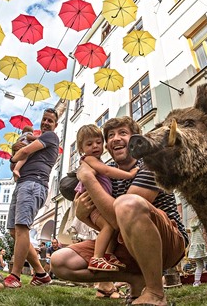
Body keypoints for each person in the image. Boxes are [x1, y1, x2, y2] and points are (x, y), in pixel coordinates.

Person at [51, 116, 189, 306]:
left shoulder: (150, 164)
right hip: (126, 244)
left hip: (168, 244)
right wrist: (82, 215)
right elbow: (111, 226)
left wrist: (89, 180)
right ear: (107, 147)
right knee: (60, 261)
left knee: (127, 203)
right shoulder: (105, 176)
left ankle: (156, 293)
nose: (115, 138)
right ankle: (136, 278)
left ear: (135, 140)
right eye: (110, 136)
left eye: (123, 133)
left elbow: (119, 218)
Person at [3, 108, 59, 288]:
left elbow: (22, 153)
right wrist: (15, 158)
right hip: (22, 184)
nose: (46, 123)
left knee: (21, 227)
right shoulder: (38, 140)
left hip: (34, 184)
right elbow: (15, 167)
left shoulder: (51, 137)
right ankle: (41, 274)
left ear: (55, 125)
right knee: (14, 231)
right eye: (44, 119)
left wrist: (16, 154)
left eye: (50, 120)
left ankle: (15, 276)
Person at [73, 124, 138, 271]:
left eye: (98, 142)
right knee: (108, 226)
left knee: (112, 228)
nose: (95, 146)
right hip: (94, 204)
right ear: (81, 149)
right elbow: (107, 171)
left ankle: (108, 255)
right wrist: (129, 174)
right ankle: (97, 258)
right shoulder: (90, 160)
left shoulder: (95, 160)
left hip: (97, 204)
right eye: (89, 144)